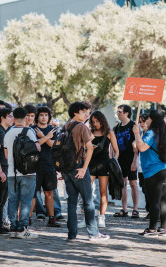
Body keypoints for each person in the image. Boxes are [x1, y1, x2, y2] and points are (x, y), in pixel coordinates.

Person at [62, 102, 110, 242]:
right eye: (83, 112)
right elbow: (90, 148)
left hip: (67, 168)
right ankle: (93, 233)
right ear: (75, 113)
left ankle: (72, 234)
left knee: (72, 201)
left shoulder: (67, 125)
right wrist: (84, 168)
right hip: (79, 166)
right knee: (88, 201)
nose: (86, 114)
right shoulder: (81, 126)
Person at [134, 110, 166, 237]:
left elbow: (142, 147)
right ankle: (163, 229)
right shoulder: (165, 132)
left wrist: (136, 134)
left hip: (153, 171)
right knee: (163, 201)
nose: (146, 121)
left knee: (154, 201)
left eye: (148, 119)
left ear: (153, 120)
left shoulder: (151, 133)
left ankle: (152, 230)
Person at [4, 106, 40, 239]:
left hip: (11, 172)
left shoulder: (8, 132)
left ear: (13, 118)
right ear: (25, 118)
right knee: (26, 201)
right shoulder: (29, 131)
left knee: (13, 200)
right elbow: (37, 148)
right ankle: (22, 229)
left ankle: (13, 228)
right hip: (27, 172)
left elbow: (6, 154)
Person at [88, 111, 119, 228]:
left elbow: (116, 150)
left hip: (104, 164)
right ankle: (88, 217)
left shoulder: (109, 133)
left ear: (102, 120)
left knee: (103, 192)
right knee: (87, 192)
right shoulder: (90, 133)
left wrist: (113, 162)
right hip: (90, 163)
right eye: (93, 122)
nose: (95, 124)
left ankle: (102, 217)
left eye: (97, 121)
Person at [32, 106, 60, 227]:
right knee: (33, 193)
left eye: (46, 115)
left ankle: (51, 218)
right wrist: (46, 136)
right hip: (34, 165)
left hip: (49, 165)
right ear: (37, 116)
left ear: (49, 117)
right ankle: (27, 220)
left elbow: (54, 145)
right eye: (41, 115)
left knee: (49, 193)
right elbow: (34, 145)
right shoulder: (32, 129)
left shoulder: (52, 130)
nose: (44, 117)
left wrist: (45, 136)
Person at [113, 104, 139, 218]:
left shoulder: (134, 126)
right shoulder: (117, 127)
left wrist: (134, 161)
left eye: (120, 111)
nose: (118, 113)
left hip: (131, 158)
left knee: (133, 183)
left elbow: (137, 146)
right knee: (122, 184)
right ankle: (124, 209)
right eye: (117, 111)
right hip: (120, 159)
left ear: (126, 113)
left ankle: (135, 209)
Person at [137, 114, 150, 219]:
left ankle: (152, 211)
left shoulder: (151, 134)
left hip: (150, 166)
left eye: (144, 121)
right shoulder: (140, 133)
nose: (142, 124)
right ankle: (149, 209)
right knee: (144, 189)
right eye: (140, 122)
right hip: (141, 166)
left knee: (150, 189)